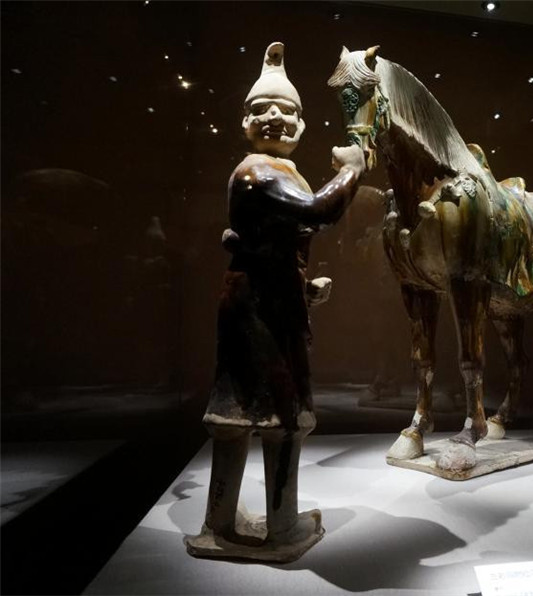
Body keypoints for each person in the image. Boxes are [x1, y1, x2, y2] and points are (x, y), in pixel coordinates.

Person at [185, 42, 365, 562]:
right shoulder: (256, 173)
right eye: (262, 110)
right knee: (278, 415)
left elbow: (270, 243)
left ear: (302, 126)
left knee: (240, 410)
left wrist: (303, 286)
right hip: (256, 313)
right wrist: (353, 168)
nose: (275, 118)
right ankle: (279, 529)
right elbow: (319, 210)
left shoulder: (277, 171)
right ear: (244, 123)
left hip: (261, 304)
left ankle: (221, 520)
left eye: (287, 111)